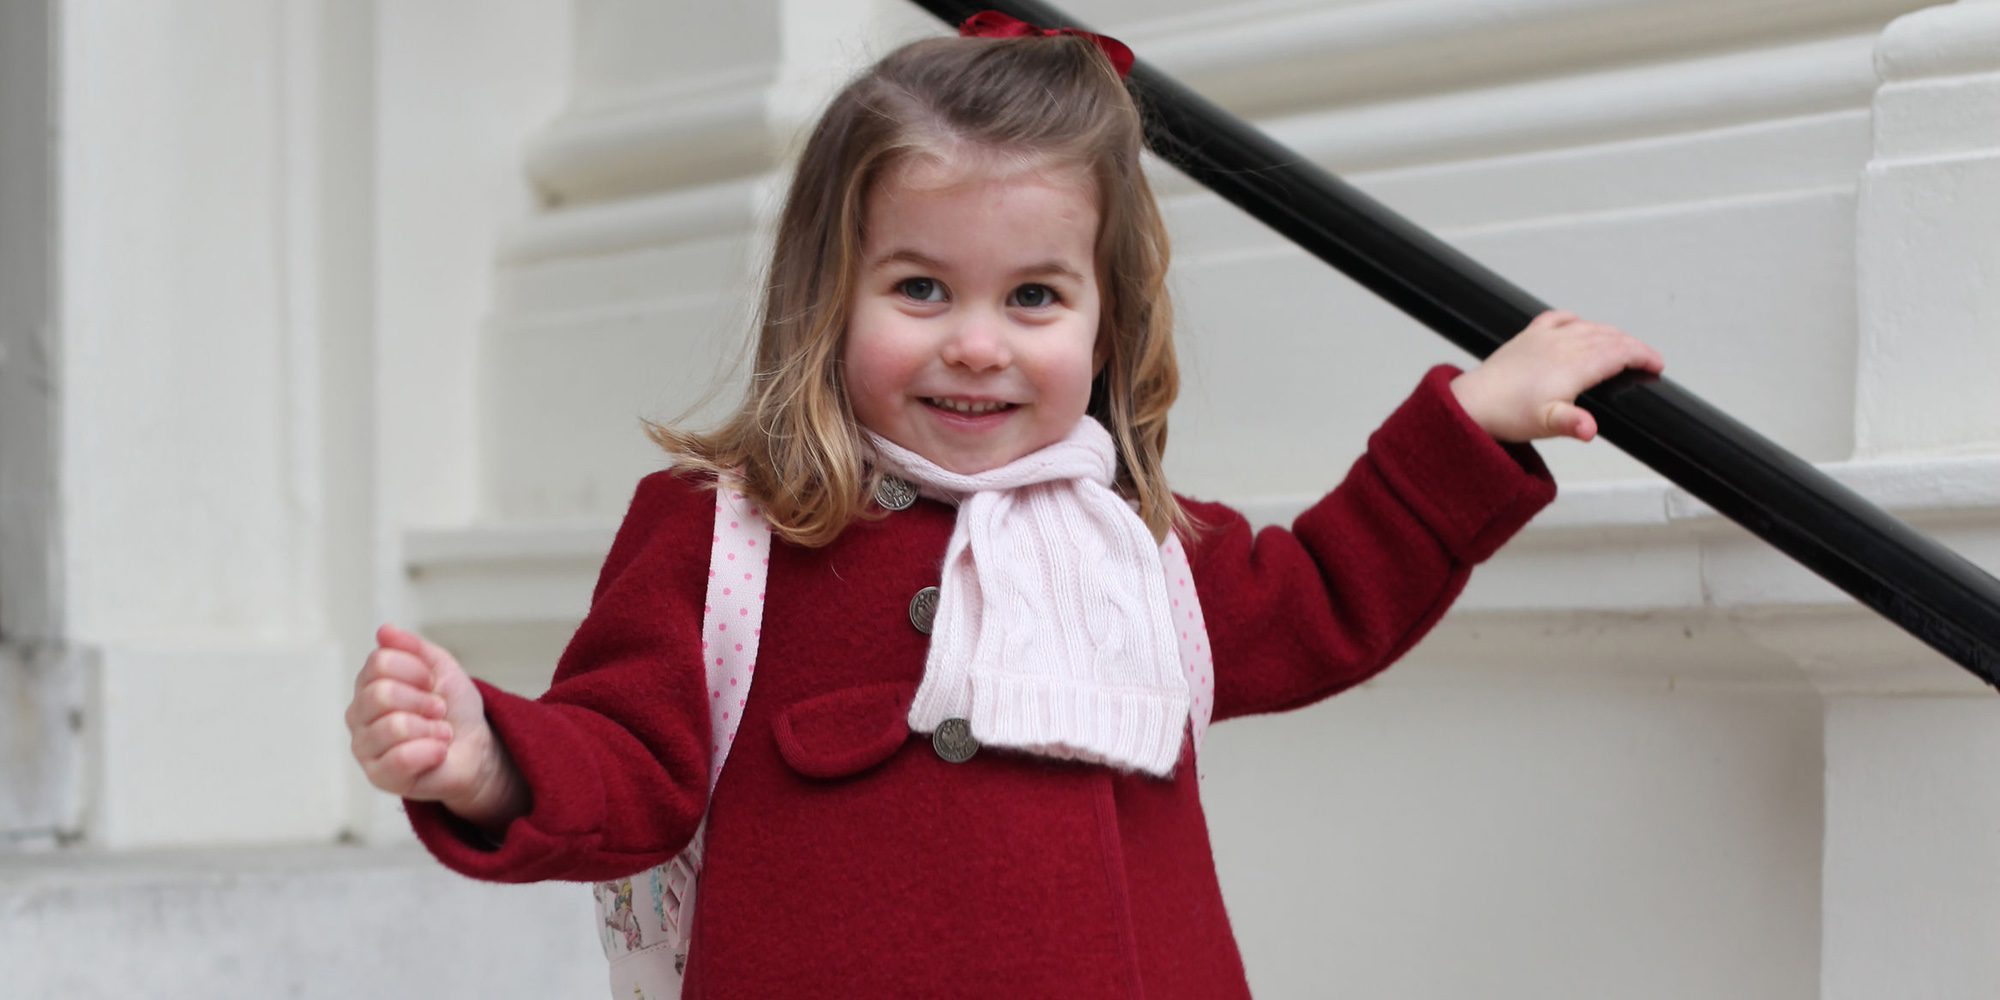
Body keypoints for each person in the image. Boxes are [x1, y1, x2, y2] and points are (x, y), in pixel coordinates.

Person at [344, 15, 1663, 999]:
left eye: (1033, 298)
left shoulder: (1141, 548)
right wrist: (490, 760)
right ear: (827, 295)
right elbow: (627, 762)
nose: (977, 344)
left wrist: (1471, 426)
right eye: (921, 288)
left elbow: (1330, 594)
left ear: (1104, 323)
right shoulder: (726, 534)